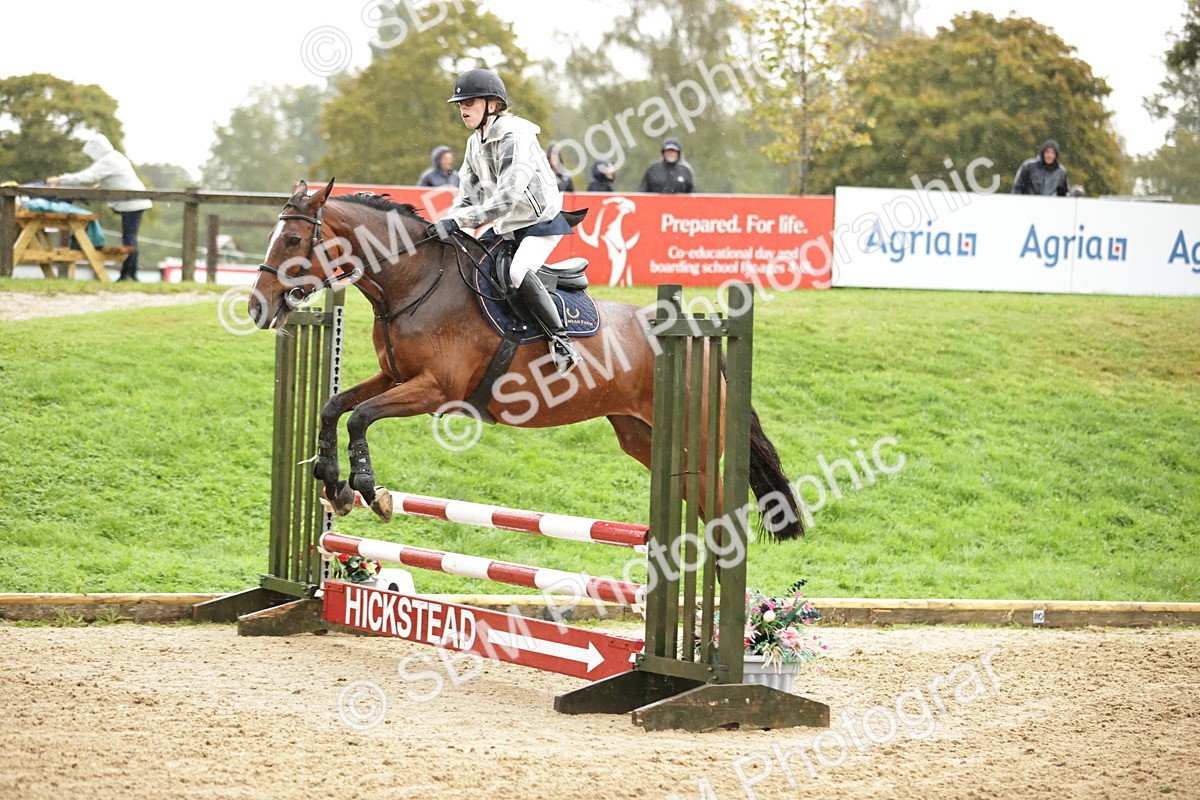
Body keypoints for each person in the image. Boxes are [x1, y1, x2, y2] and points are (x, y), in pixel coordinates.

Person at [429, 69, 580, 375]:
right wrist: (444, 223)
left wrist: (462, 222)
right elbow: (467, 198)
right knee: (471, 268)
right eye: (460, 103)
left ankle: (562, 342)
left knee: (517, 271)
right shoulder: (475, 143)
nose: (463, 108)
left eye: (470, 102)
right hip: (507, 226)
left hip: (540, 223)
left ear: (493, 105)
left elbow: (507, 198)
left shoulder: (516, 136)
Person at [47, 134, 152, 281]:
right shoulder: (116, 157)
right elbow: (116, 178)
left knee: (129, 239)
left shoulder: (108, 160)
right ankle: (130, 274)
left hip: (132, 202)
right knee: (130, 237)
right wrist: (103, 185)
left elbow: (87, 176)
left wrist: (60, 180)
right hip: (133, 200)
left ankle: (127, 275)